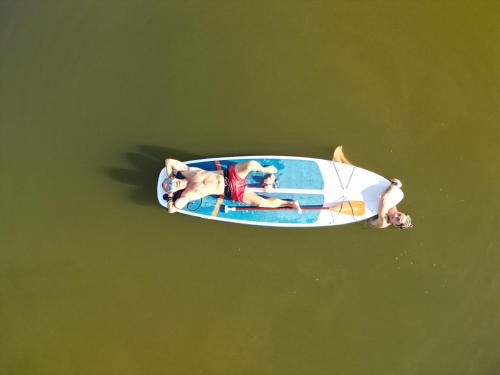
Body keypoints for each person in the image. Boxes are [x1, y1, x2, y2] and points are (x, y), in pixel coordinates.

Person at [162, 158, 301, 214]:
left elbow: (168, 161)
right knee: (261, 202)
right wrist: (170, 196)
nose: (173, 183)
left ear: (173, 177)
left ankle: (265, 169)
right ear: (174, 190)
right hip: (230, 190)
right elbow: (172, 210)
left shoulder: (187, 171)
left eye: (171, 181)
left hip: (229, 175)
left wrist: (169, 176)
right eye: (171, 186)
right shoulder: (187, 194)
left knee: (251, 164)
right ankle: (290, 203)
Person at [333, 145, 413, 229]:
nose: (396, 215)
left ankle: (339, 162)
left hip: (360, 212)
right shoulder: (394, 208)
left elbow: (384, 199)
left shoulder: (384, 222)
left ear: (395, 224)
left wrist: (395, 186)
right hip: (369, 201)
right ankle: (340, 161)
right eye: (399, 215)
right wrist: (394, 183)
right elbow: (386, 190)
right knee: (360, 178)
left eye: (397, 219)